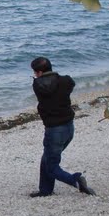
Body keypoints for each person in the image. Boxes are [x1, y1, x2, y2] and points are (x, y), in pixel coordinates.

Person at [29, 56, 96, 198]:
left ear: (39, 72)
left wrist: (37, 79)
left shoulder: (38, 85)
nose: (35, 75)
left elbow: (43, 86)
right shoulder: (65, 81)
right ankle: (45, 190)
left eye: (35, 73)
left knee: (51, 166)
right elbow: (70, 82)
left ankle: (75, 180)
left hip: (54, 130)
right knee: (47, 158)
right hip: (68, 127)